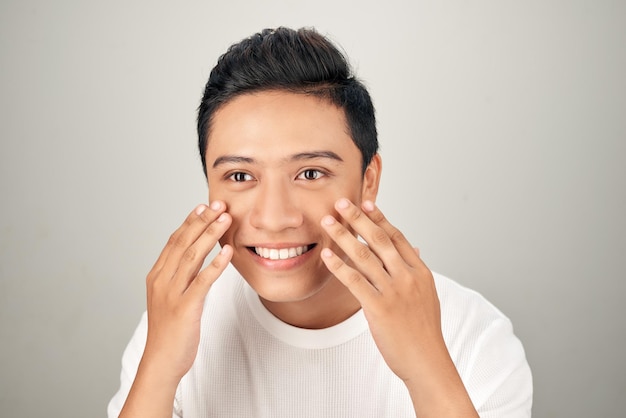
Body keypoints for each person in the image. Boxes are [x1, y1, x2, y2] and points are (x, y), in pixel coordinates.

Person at [108, 27, 532, 417]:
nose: (274, 219)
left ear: (368, 181)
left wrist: (426, 367)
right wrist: (159, 366)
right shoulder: (175, 324)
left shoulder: (472, 334)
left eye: (310, 174)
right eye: (240, 176)